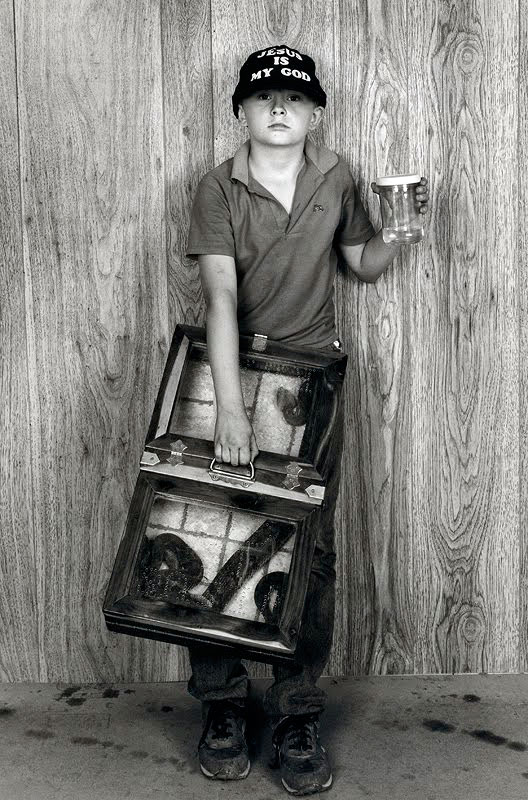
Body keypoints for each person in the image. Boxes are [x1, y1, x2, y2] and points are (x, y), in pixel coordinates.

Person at [185, 44, 429, 796]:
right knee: (211, 532)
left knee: (307, 555)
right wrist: (229, 408)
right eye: (264, 97)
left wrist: (399, 231)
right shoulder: (215, 187)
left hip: (311, 380)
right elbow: (221, 300)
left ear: (316, 112)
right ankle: (222, 704)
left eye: (295, 96)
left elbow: (361, 262)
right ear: (241, 113)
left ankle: (295, 711)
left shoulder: (337, 175)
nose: (280, 106)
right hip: (231, 370)